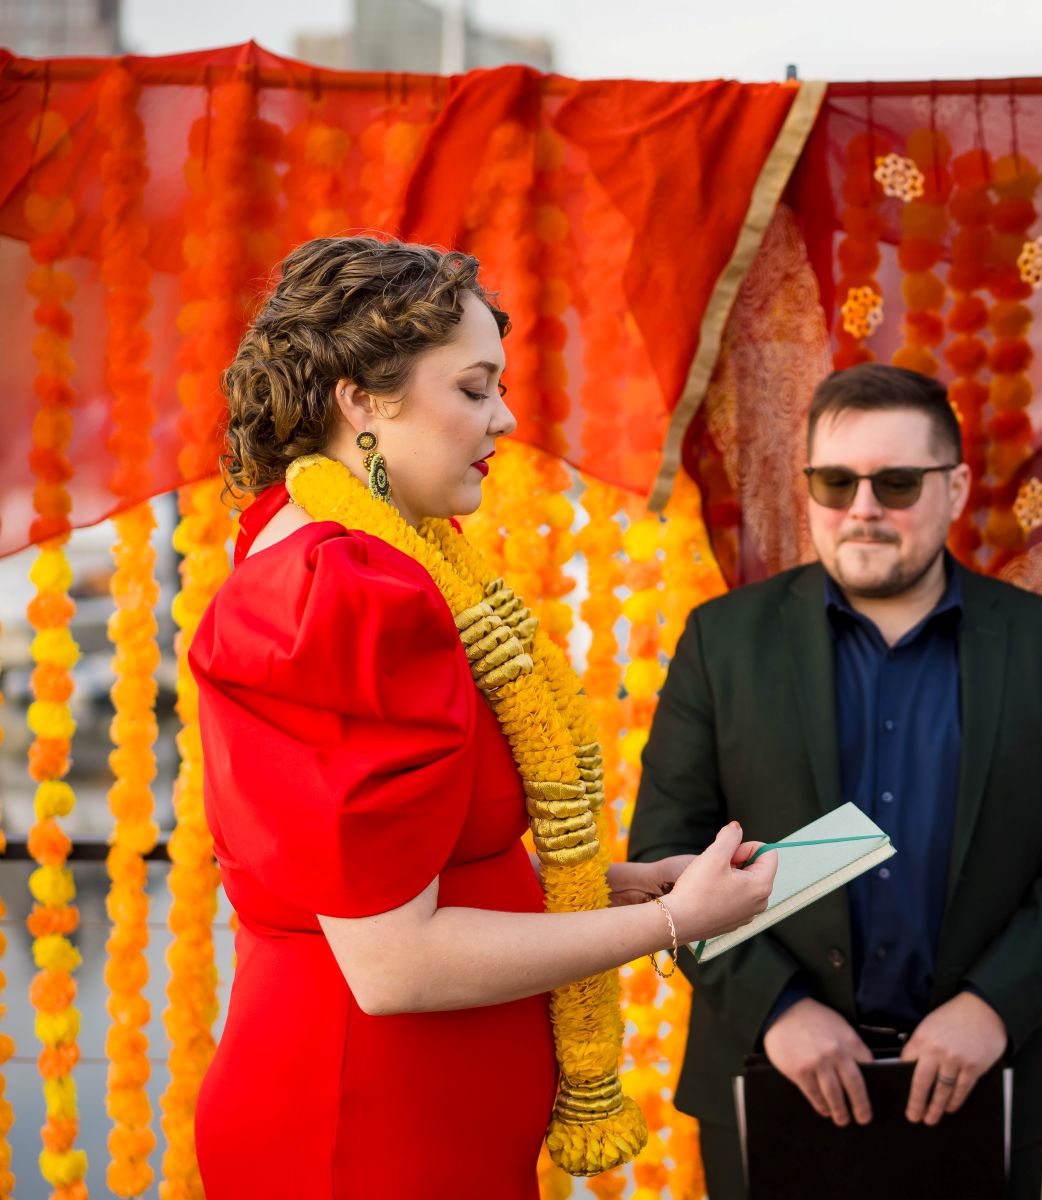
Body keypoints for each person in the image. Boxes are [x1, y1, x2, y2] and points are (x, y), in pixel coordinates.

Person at [190, 235, 775, 1199]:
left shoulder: (373, 565)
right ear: (361, 400)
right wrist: (674, 920)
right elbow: (394, 963)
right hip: (366, 1123)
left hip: (425, 1111)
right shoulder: (341, 589)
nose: (505, 417)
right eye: (472, 388)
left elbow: (414, 869)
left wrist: (623, 884)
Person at [628, 363, 1042, 1200]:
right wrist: (779, 1009)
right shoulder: (723, 642)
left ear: (955, 487)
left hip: (983, 1074)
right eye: (835, 481)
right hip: (772, 1071)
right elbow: (667, 851)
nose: (861, 507)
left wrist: (992, 1007)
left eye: (897, 482)